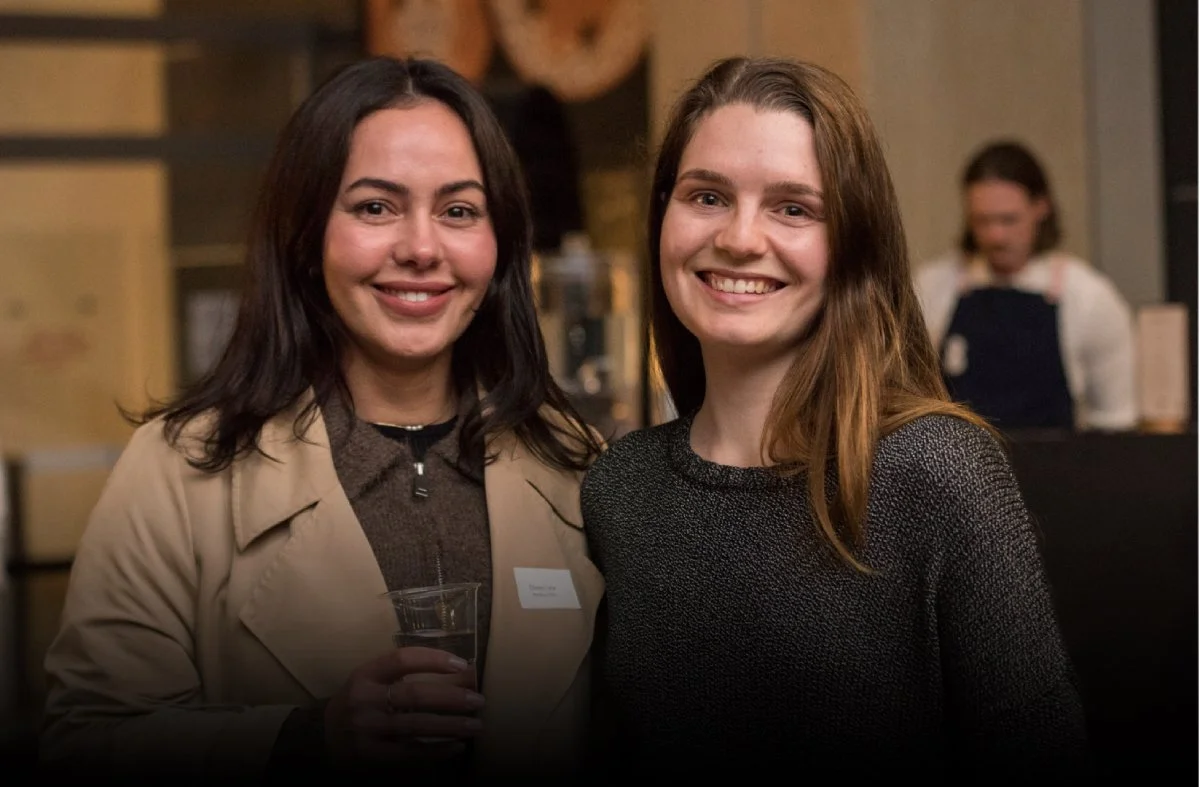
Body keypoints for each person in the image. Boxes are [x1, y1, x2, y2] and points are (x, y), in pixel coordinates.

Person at [40, 56, 605, 785]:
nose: (422, 248)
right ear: (307, 238)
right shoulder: (177, 469)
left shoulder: (578, 466)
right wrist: (306, 742)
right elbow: (83, 742)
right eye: (376, 207)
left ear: (500, 247)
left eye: (459, 210)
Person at [581, 56, 1091, 781]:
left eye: (793, 207)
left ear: (852, 243)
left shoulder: (938, 471)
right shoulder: (621, 489)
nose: (739, 237)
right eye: (706, 196)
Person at [914, 141, 1137, 432]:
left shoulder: (1089, 297)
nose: (996, 235)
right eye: (982, 221)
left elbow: (1115, 421)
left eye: (1009, 220)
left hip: (1056, 471)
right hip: (959, 469)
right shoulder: (931, 287)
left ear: (1040, 208)